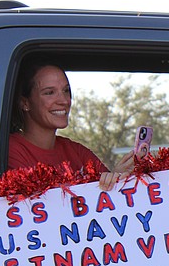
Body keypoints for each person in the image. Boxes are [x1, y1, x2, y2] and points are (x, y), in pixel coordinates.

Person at [9, 61, 133, 189]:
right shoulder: (11, 150)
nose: (64, 101)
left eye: (66, 90)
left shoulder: (76, 152)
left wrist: (118, 178)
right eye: (49, 93)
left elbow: (107, 200)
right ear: (25, 103)